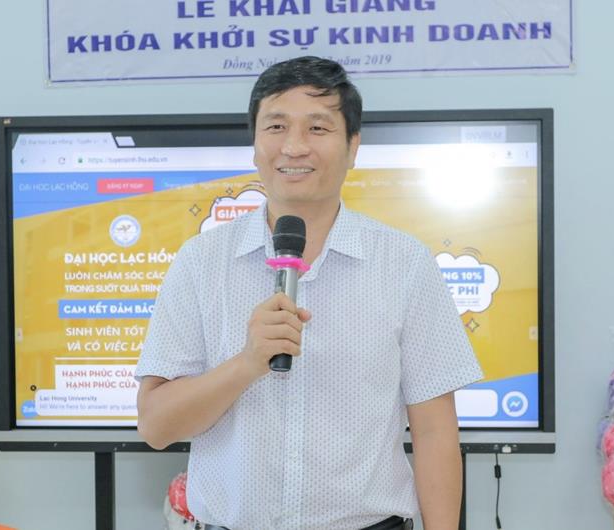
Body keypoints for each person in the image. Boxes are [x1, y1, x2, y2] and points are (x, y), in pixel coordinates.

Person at [136, 56, 483, 530]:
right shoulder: (201, 262)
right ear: (255, 144)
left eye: (317, 128)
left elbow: (435, 432)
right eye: (276, 126)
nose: (294, 146)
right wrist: (246, 363)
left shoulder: (404, 263)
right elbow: (156, 427)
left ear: (353, 146)